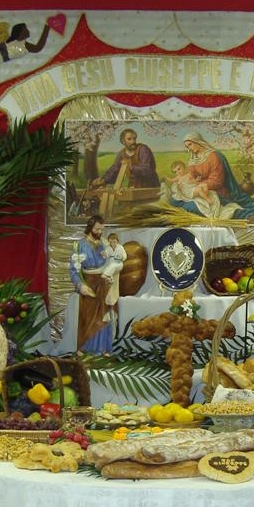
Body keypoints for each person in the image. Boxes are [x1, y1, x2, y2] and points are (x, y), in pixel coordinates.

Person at [170, 132, 254, 219]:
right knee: (174, 201)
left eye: (190, 144)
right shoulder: (193, 159)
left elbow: (217, 181)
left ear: (197, 141)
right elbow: (190, 176)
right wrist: (184, 183)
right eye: (187, 146)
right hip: (198, 189)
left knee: (192, 206)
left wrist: (199, 184)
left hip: (216, 191)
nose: (189, 148)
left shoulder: (214, 156)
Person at [68, 215, 113, 354]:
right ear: (90, 228)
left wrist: (110, 276)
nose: (100, 232)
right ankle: (85, 348)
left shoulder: (105, 244)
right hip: (88, 284)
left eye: (102, 229)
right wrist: (81, 286)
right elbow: (74, 270)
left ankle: (102, 348)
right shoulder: (79, 245)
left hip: (103, 284)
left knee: (104, 316)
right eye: (97, 229)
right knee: (87, 317)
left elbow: (112, 263)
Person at [91, 128, 159, 190]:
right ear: (123, 141)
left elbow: (148, 169)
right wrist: (104, 180)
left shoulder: (143, 149)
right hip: (133, 187)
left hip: (149, 187)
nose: (133, 141)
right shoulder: (122, 154)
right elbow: (114, 170)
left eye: (134, 138)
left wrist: (131, 167)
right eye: (129, 139)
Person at [163, 160, 229, 219]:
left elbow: (195, 182)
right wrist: (166, 178)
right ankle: (208, 200)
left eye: (179, 169)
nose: (178, 172)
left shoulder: (188, 175)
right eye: (175, 171)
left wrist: (196, 180)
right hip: (188, 192)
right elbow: (171, 180)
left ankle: (205, 195)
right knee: (199, 189)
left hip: (193, 187)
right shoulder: (178, 178)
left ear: (184, 167)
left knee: (205, 185)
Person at [99, 232, 126, 324]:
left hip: (118, 264)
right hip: (110, 266)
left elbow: (124, 256)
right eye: (111, 242)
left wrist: (121, 257)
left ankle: (106, 275)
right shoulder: (108, 248)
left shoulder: (120, 247)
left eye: (114, 242)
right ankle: (108, 276)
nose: (112, 244)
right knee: (110, 267)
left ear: (117, 241)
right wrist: (103, 254)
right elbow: (106, 255)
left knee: (113, 266)